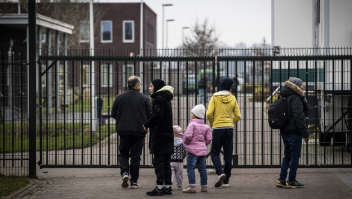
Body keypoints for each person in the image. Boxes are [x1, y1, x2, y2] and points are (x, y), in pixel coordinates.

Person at [111, 76, 152, 189]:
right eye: (140, 83)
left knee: (123, 153)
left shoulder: (119, 97)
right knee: (135, 156)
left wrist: (122, 120)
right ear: (137, 85)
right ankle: (134, 181)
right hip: (139, 131)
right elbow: (150, 115)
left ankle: (124, 173)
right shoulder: (144, 98)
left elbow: (113, 114)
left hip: (123, 131)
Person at [206, 77, 241, 188]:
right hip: (229, 129)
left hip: (217, 129)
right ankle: (226, 181)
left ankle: (220, 172)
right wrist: (230, 122)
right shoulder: (233, 98)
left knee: (214, 152)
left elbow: (209, 114)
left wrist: (213, 124)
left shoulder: (214, 97)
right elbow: (238, 116)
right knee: (228, 155)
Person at [276, 77, 310, 189]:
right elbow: (299, 117)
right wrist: (305, 133)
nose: (302, 87)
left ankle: (281, 180)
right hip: (294, 132)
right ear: (296, 86)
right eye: (301, 85)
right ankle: (291, 180)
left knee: (287, 156)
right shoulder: (295, 97)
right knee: (295, 156)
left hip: (284, 130)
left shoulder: (282, 95)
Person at [144, 79, 174, 196]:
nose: (150, 88)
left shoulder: (159, 99)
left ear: (156, 87)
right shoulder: (166, 98)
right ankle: (167, 187)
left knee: (159, 162)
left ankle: (159, 187)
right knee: (166, 163)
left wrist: (146, 124)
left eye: (151, 86)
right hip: (167, 134)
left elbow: (158, 115)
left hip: (160, 135)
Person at [179, 104, 212, 193]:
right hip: (202, 151)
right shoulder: (206, 126)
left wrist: (186, 142)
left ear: (195, 114)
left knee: (190, 168)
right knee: (202, 169)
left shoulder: (192, 124)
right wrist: (203, 145)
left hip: (192, 151)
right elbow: (209, 138)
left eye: (192, 113)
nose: (191, 114)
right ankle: (204, 186)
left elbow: (188, 136)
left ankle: (192, 186)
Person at [170, 125, 187, 190]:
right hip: (179, 160)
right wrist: (182, 157)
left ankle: (170, 184)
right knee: (179, 174)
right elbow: (184, 151)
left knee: (171, 173)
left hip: (171, 160)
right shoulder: (182, 142)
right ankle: (179, 185)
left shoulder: (170, 141)